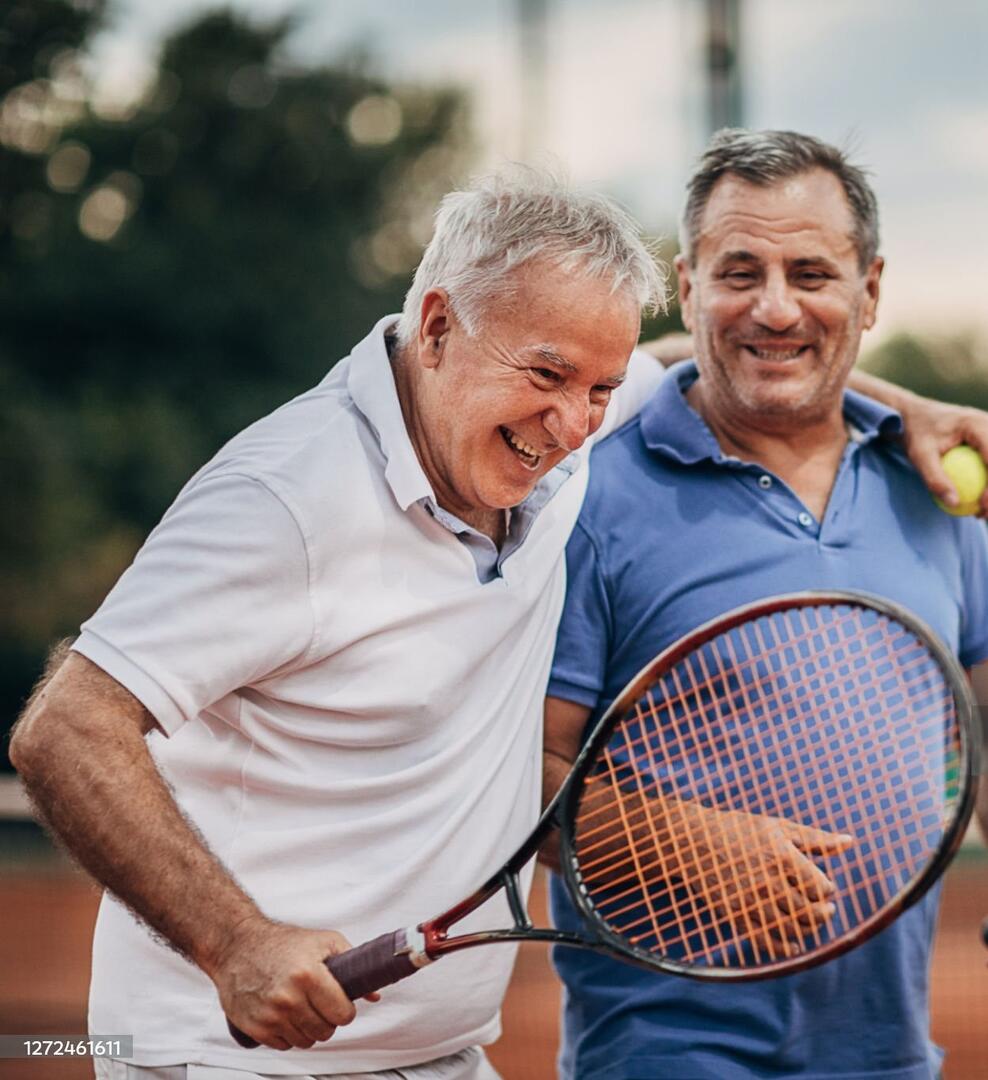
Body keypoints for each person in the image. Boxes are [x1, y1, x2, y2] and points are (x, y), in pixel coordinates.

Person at [9, 164, 988, 1080]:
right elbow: (65, 728)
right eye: (548, 376)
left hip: (436, 1049)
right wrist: (236, 943)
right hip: (232, 1053)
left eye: (601, 390)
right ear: (436, 327)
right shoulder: (284, 500)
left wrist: (903, 402)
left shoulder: (548, 449)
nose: (574, 423)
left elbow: (719, 358)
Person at [543, 129, 988, 1080]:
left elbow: (984, 714)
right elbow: (511, 777)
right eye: (740, 271)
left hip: (888, 1049)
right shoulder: (587, 500)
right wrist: (690, 844)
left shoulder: (941, 495)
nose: (776, 307)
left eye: (813, 273)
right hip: (669, 1049)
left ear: (870, 290)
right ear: (689, 285)